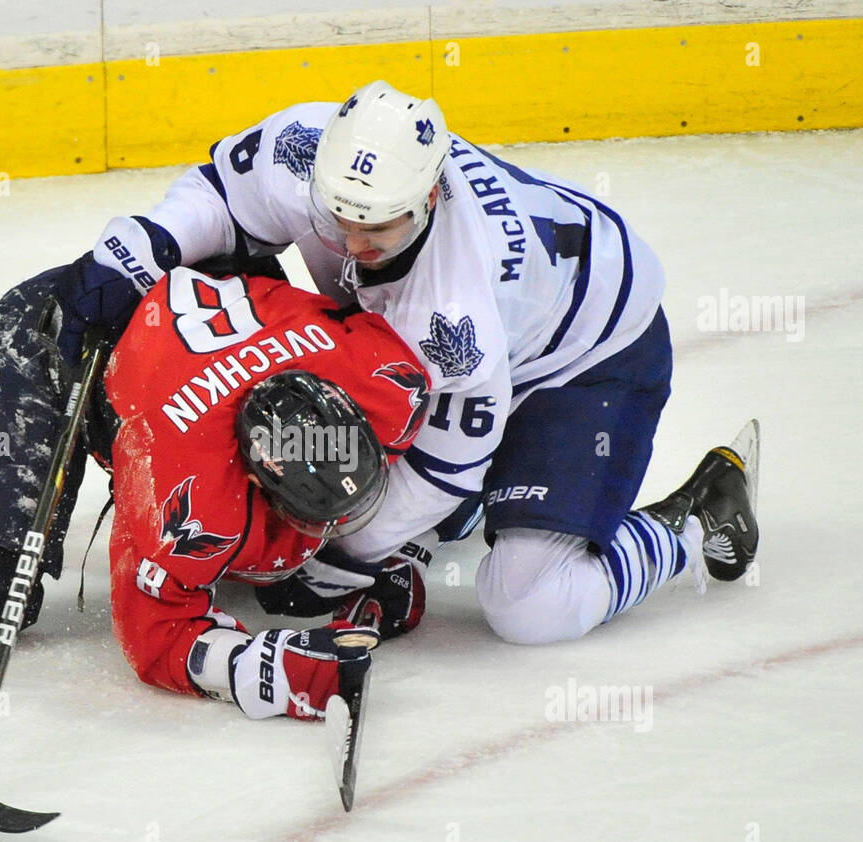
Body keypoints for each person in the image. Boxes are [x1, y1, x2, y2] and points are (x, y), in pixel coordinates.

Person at [51, 79, 760, 647]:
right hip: (498, 326)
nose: (352, 240)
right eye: (340, 216)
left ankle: (697, 518)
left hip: (590, 354)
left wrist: (339, 561)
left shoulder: (454, 317)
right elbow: (220, 198)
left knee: (530, 605)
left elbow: (447, 464)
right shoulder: (308, 147)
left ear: (426, 198)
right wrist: (144, 247)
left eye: (377, 225)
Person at [0, 258, 432, 722]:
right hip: (59, 340)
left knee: (283, 572)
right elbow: (155, 634)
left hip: (183, 312)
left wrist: (374, 558)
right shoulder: (185, 488)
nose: (328, 530)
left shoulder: (384, 376)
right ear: (250, 477)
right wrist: (268, 673)